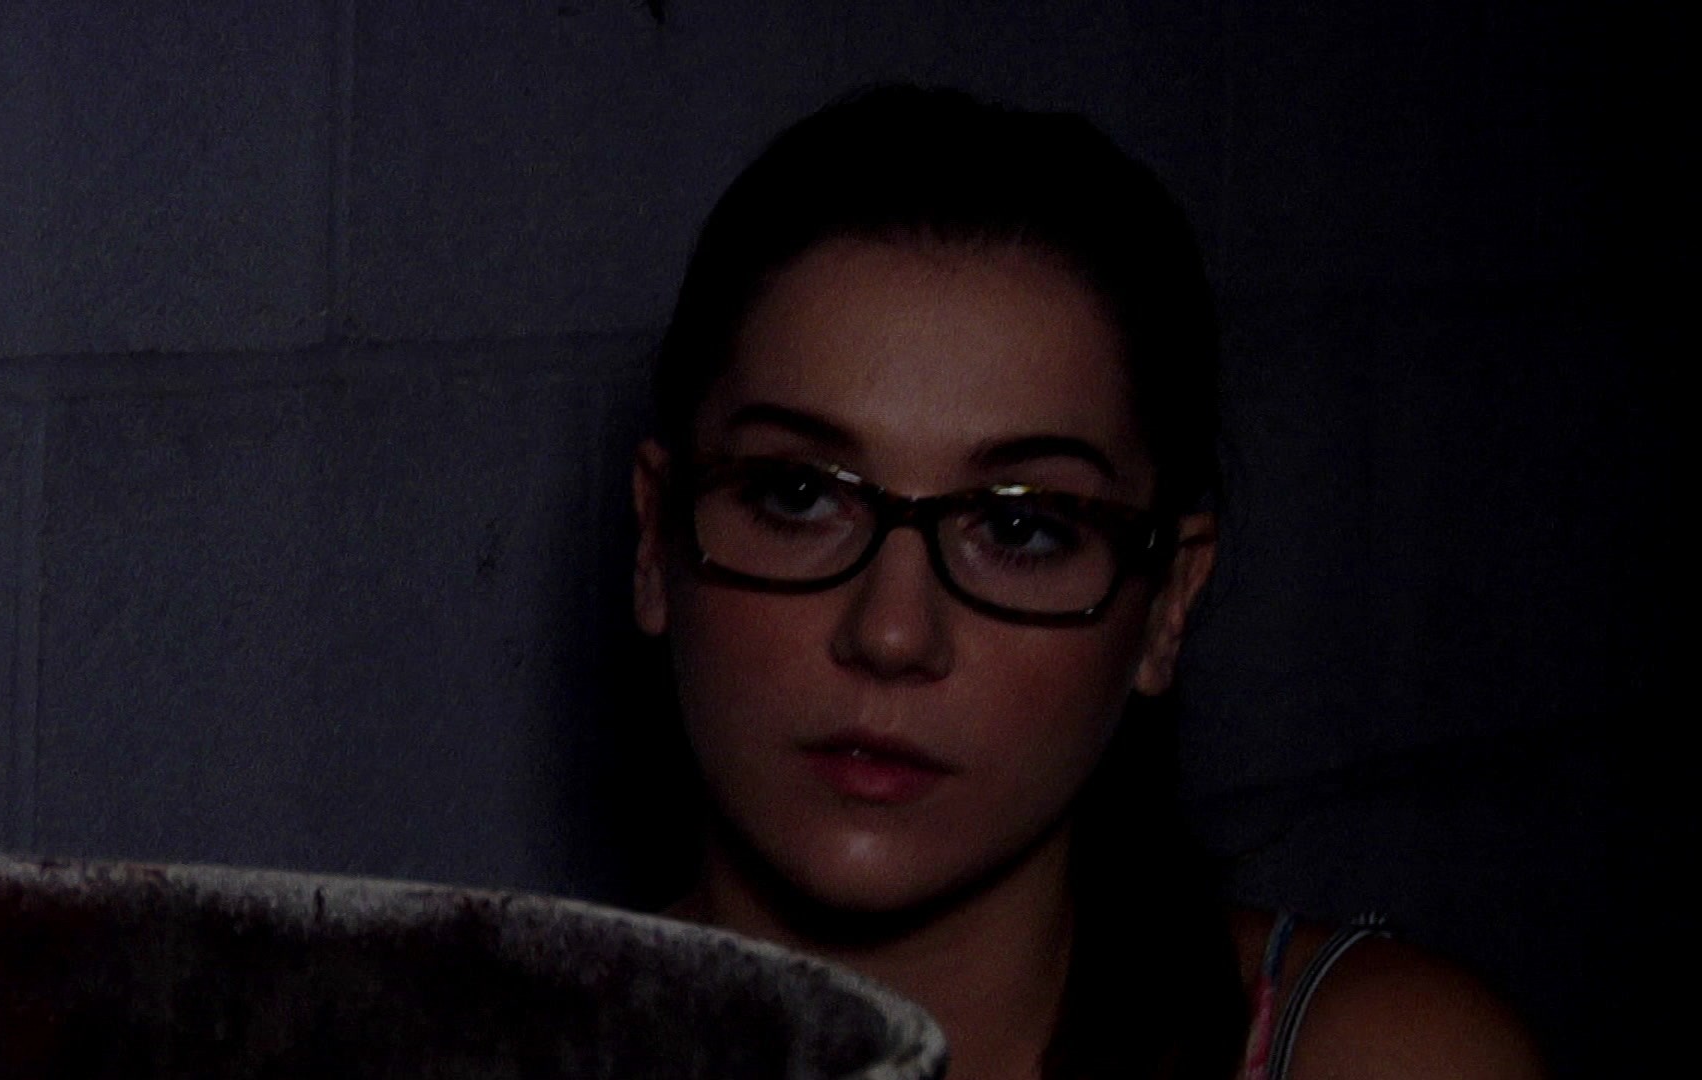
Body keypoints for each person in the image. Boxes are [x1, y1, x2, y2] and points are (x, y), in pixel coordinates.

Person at [624, 86, 1545, 1080]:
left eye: (1019, 527)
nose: (891, 633)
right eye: (799, 495)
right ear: (655, 539)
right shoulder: (505, 1038)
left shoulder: (1379, 1057)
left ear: (1166, 606)